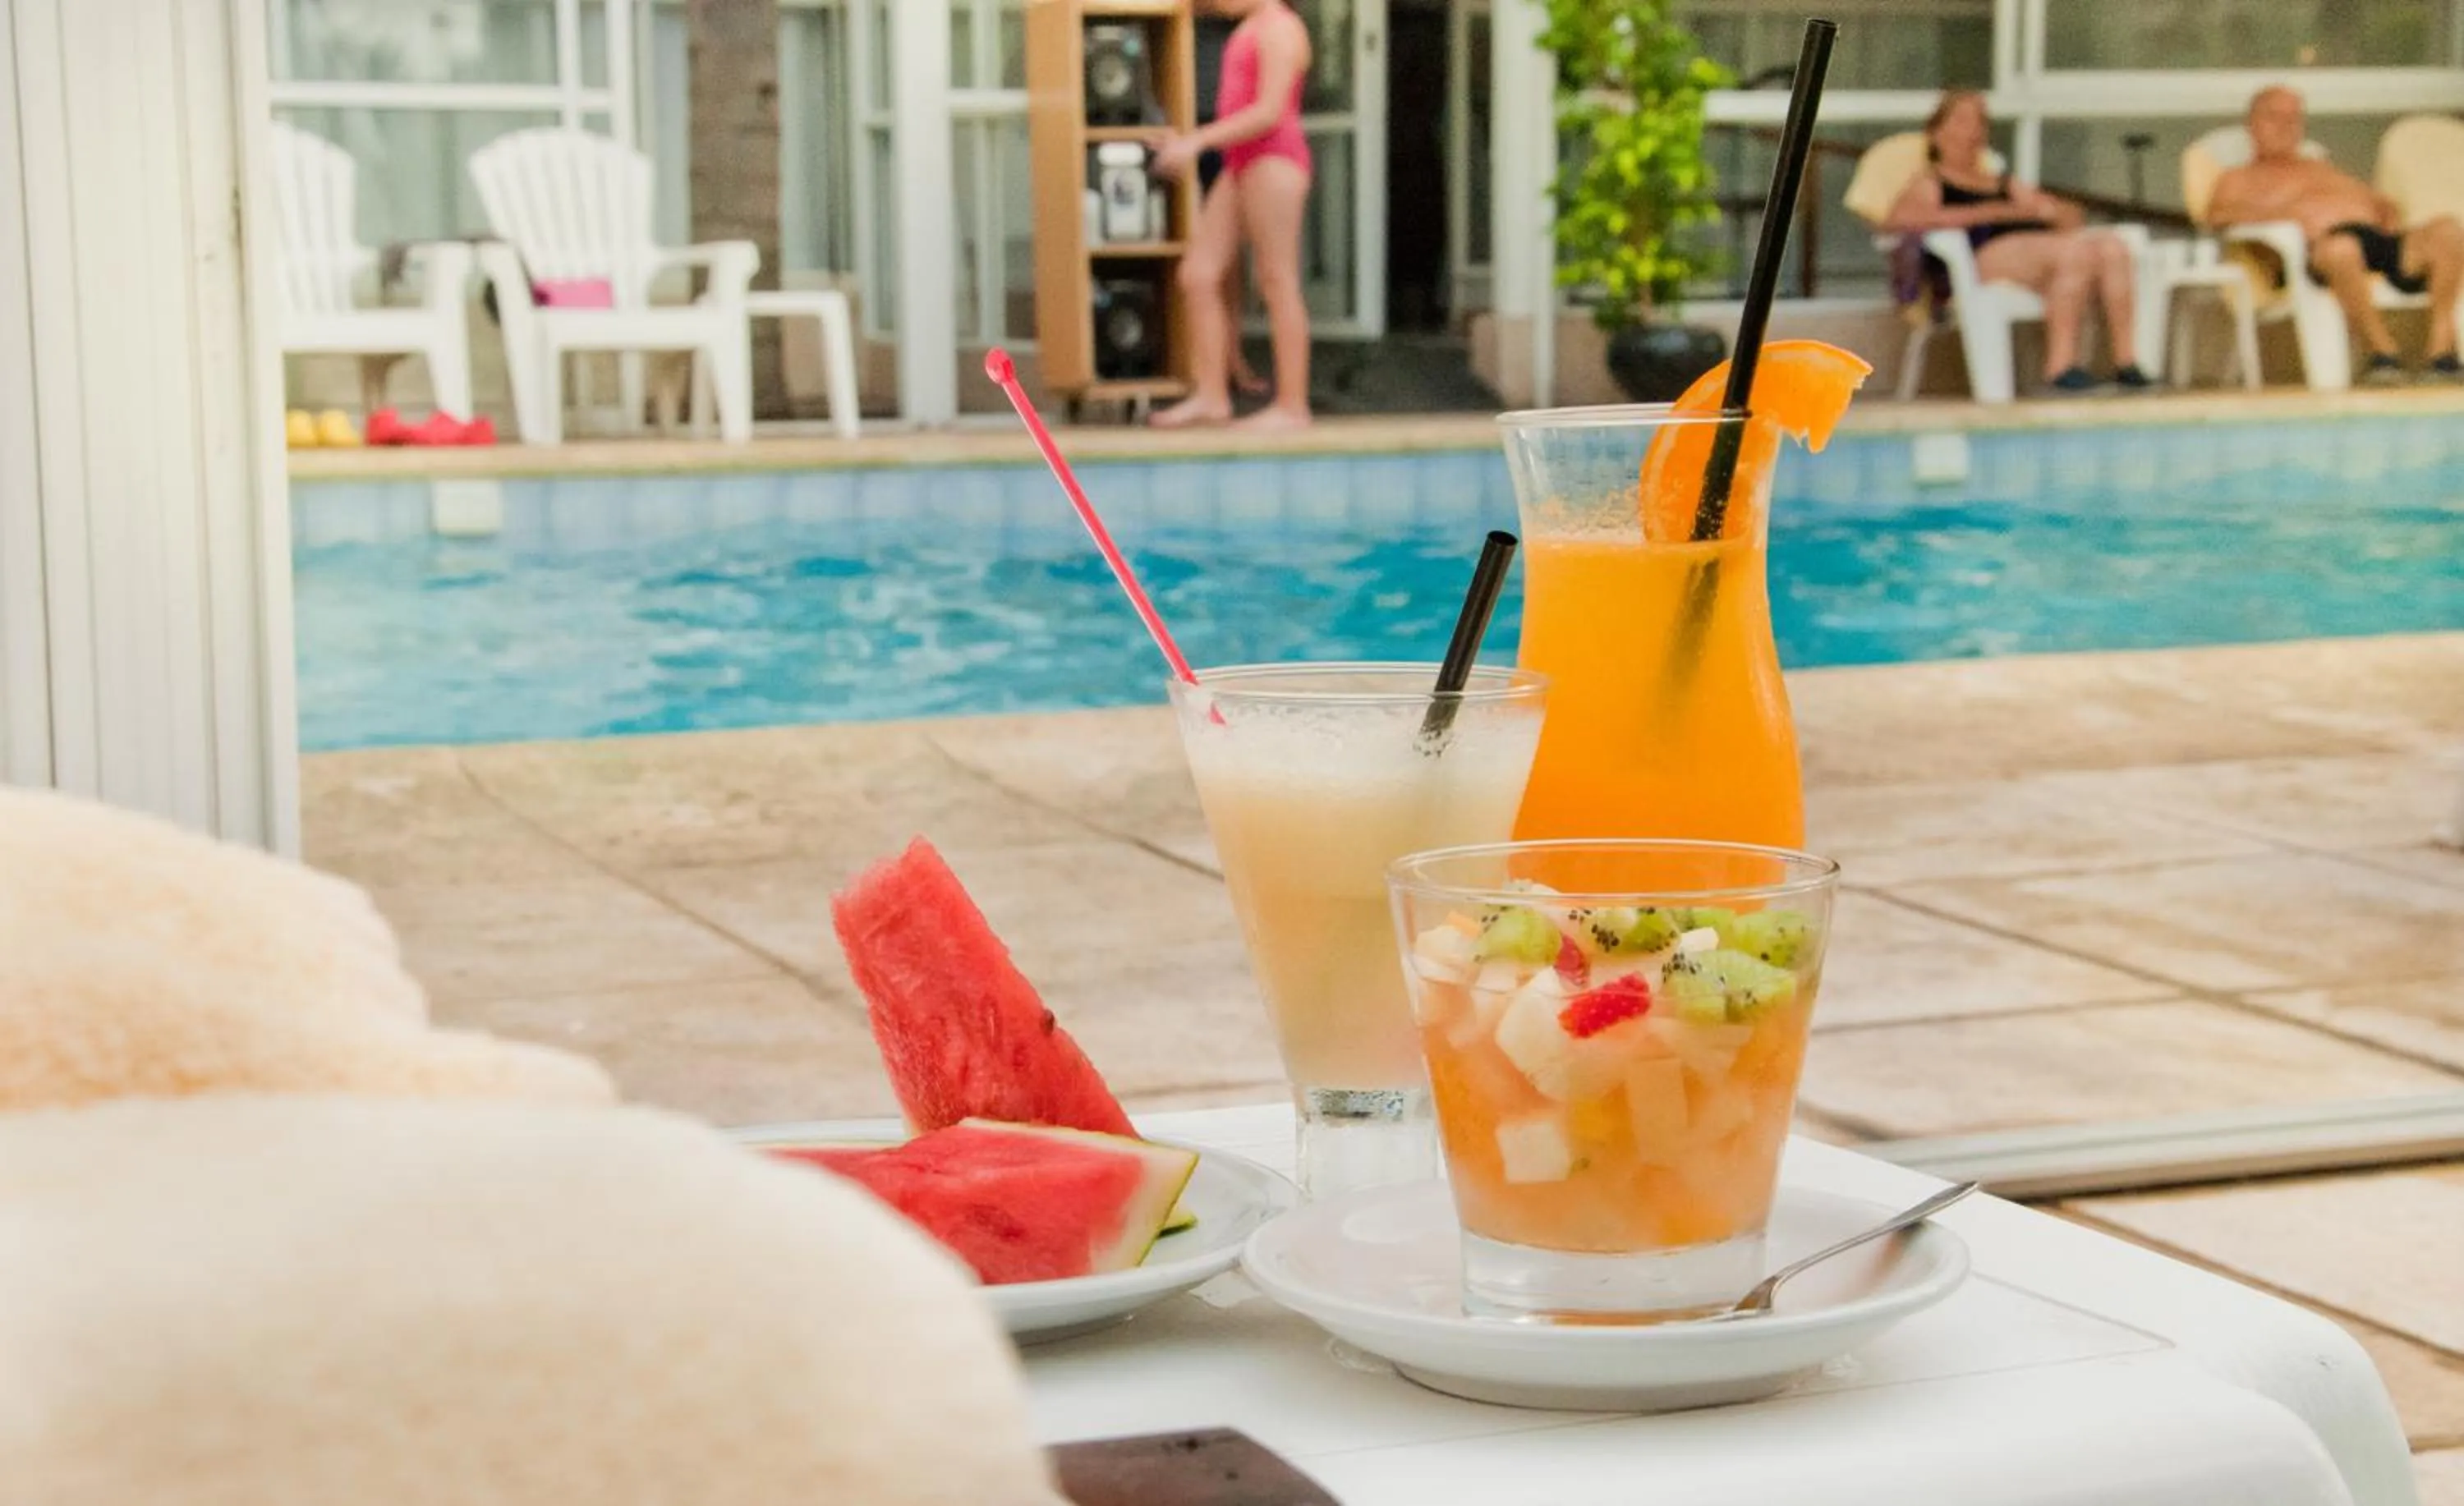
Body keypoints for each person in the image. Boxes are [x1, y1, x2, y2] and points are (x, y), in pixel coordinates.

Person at [1887, 90, 2151, 394]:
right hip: (1984, 258)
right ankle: (2060, 366)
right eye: (1962, 120)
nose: (1973, 130)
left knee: (2112, 246)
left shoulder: (2001, 181)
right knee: (2074, 253)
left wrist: (2049, 210)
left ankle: (2126, 362)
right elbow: (1901, 219)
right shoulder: (1931, 181)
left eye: (1981, 121)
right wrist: (1998, 211)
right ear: (1935, 133)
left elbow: (2067, 217)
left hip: (2040, 255)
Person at [2207, 85, 2464, 385]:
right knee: (2342, 248)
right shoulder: (2238, 178)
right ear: (2252, 125)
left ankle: (2442, 348)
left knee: (2449, 230)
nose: (2285, 127)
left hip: (2377, 240)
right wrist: (2287, 215)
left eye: (2293, 119)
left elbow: (2377, 201)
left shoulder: (2319, 167)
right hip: (2321, 250)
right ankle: (2382, 353)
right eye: (2274, 117)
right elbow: (2218, 216)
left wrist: (2387, 212)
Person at [1149, 0, 1313, 430]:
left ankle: (1292, 406)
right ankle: (1211, 395)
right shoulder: (1248, 28)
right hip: (1240, 163)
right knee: (1199, 274)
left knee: (1277, 280)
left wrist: (1197, 142)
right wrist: (1184, 140)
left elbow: (1269, 111)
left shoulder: (1281, 27)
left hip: (1273, 161)